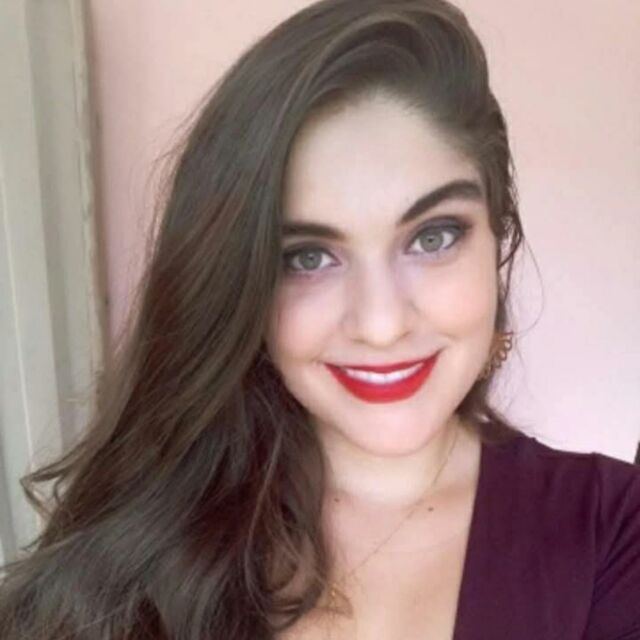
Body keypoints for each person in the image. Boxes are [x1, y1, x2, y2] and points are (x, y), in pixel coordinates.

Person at [1, 0, 639, 638]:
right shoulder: (145, 538)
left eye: (434, 237)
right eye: (308, 257)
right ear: (242, 285)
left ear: (497, 236)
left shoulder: (612, 530)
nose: (381, 324)